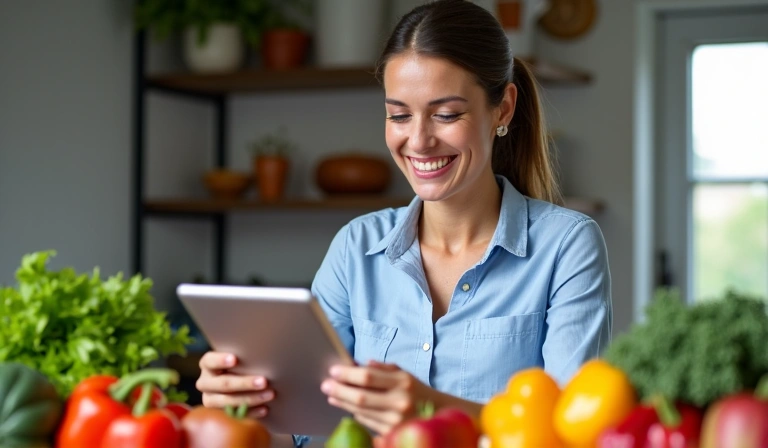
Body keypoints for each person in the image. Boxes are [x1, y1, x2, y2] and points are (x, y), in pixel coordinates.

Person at [195, 0, 612, 446]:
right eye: (399, 115)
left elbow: (572, 433)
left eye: (446, 114)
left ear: (503, 109)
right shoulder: (356, 247)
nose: (418, 140)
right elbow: (305, 435)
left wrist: (430, 409)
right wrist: (245, 408)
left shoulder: (566, 246)